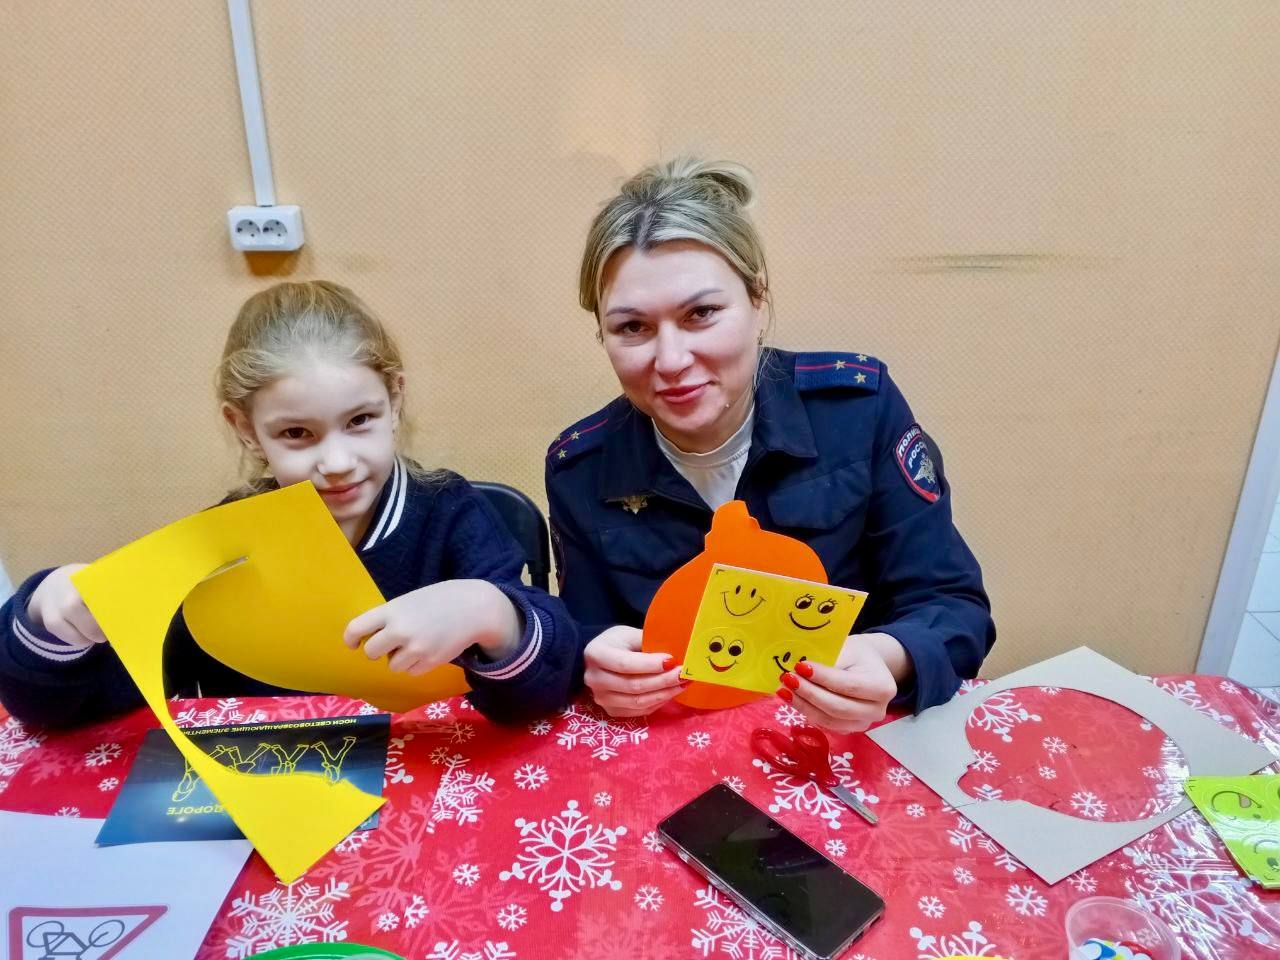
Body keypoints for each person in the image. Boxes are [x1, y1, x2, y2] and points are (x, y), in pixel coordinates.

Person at [1, 280, 577, 727]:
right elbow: (69, 712)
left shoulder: (452, 516)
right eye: (297, 434)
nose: (337, 462)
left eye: (360, 420)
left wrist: (492, 614)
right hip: (270, 800)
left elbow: (546, 689)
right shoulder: (222, 544)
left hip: (434, 787)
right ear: (246, 428)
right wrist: (50, 621)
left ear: (394, 399)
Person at [547, 158, 994, 733]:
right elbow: (583, 633)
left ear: (757, 300)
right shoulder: (580, 467)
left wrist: (888, 657)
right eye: (632, 327)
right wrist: (593, 664)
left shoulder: (858, 410)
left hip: (844, 739)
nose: (671, 360)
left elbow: (954, 606)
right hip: (675, 750)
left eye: (702, 313)